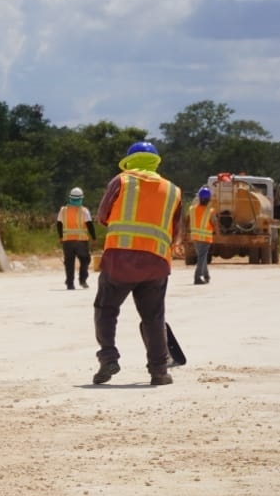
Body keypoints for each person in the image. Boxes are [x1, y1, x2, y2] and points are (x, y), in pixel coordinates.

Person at [91, 141, 183, 387]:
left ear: (129, 161)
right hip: (156, 262)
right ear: (155, 162)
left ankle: (108, 357)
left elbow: (102, 216)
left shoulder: (121, 181)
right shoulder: (173, 190)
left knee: (106, 309)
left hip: (120, 260)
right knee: (153, 317)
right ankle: (159, 371)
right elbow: (175, 233)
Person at [57, 187, 95, 290]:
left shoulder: (63, 210)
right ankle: (82, 280)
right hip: (81, 241)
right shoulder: (84, 211)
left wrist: (60, 237)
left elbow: (59, 224)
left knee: (69, 262)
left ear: (70, 198)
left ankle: (70, 284)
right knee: (85, 260)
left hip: (67, 241)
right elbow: (90, 225)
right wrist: (94, 238)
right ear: (81, 198)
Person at [188, 186, 215, 285]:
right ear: (209, 199)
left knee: (202, 257)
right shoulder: (210, 211)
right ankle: (197, 277)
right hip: (206, 238)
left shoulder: (192, 209)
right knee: (201, 258)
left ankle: (206, 275)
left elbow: (187, 221)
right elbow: (214, 223)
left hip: (195, 237)